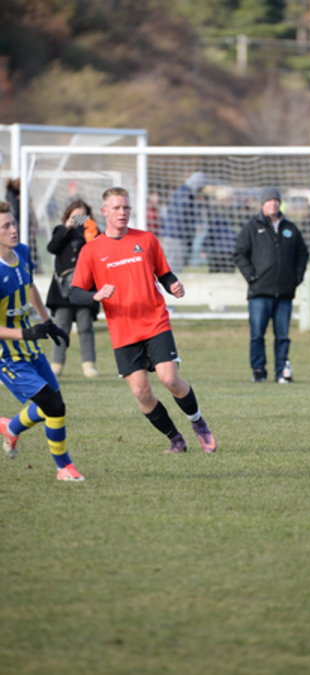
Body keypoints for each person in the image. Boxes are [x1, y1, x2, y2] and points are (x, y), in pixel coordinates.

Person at [69, 187, 216, 454]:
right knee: (141, 393)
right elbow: (74, 293)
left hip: (155, 322)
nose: (122, 212)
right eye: (116, 208)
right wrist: (95, 295)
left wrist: (174, 286)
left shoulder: (146, 239)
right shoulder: (92, 250)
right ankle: (175, 439)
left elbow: (165, 274)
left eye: (126, 207)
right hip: (123, 330)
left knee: (170, 379)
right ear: (104, 211)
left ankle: (198, 422)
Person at [0, 201, 84, 481]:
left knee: (52, 403)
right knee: (54, 406)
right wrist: (24, 333)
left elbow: (29, 285)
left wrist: (47, 322)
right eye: (5, 226)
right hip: (6, 355)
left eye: (13, 223)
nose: (13, 230)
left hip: (30, 346)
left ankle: (11, 428)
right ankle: (64, 467)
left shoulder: (23, 252)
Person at [234, 186, 309, 383]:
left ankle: (282, 371)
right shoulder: (252, 227)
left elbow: (303, 254)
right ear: (262, 204)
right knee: (257, 335)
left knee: (283, 336)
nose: (273, 204)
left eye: (276, 200)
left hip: (284, 293)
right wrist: (252, 276)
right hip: (259, 292)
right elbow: (240, 254)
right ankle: (258, 371)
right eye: (269, 200)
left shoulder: (290, 228)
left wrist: (296, 277)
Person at [46, 199, 100, 378]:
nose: (78, 219)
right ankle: (56, 364)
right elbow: (52, 248)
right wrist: (67, 228)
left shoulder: (92, 232)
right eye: (75, 216)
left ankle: (89, 364)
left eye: (82, 216)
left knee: (85, 326)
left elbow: (98, 252)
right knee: (62, 326)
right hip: (63, 286)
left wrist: (91, 231)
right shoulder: (60, 230)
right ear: (68, 215)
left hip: (85, 285)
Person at [162, 171, 207, 273]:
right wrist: (190, 231)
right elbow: (181, 217)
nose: (201, 191)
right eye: (200, 188)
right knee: (174, 270)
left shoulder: (186, 193)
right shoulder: (184, 194)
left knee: (176, 268)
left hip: (177, 237)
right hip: (176, 238)